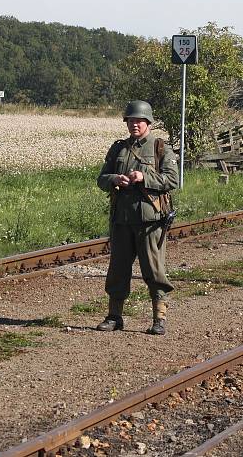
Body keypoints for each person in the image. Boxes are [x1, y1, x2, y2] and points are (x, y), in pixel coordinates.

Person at [96, 100, 179, 335]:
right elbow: (101, 179)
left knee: (154, 270)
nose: (134, 124)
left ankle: (159, 319)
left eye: (139, 120)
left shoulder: (160, 147)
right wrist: (114, 179)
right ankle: (114, 316)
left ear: (148, 123)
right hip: (121, 218)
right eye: (131, 120)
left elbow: (172, 181)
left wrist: (144, 177)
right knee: (117, 270)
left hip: (150, 220)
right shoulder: (119, 148)